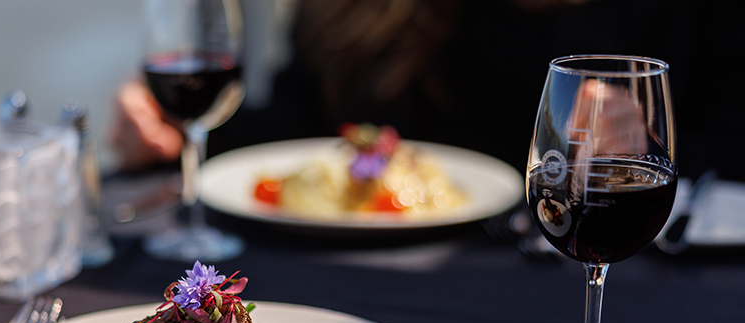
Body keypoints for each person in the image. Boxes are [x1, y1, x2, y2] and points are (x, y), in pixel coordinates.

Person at [111, 0, 744, 181]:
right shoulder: (363, 13)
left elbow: (733, 148)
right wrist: (180, 136)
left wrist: (647, 151)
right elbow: (304, 118)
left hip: (616, 311)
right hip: (376, 298)